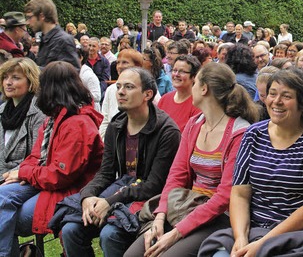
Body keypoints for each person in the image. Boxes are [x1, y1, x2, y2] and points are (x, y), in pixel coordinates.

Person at [200, 68, 303, 257]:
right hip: (257, 228)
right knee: (218, 254)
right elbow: (240, 194)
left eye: (286, 96)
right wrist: (241, 239)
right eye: (272, 94)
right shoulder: (254, 134)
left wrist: (263, 243)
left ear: (302, 102)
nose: (276, 101)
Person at [125, 63, 260, 257]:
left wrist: (176, 232)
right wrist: (160, 216)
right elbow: (176, 175)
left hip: (220, 216)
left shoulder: (239, 133)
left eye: (195, 82)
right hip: (186, 206)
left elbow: (224, 197)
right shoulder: (195, 124)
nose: (192, 87)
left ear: (204, 89)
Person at [58, 68, 180, 257]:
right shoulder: (117, 126)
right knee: (71, 229)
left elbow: (154, 185)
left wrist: (109, 202)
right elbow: (106, 172)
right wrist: (88, 196)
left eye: (129, 87)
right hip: (122, 189)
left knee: (110, 234)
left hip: (150, 198)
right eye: (119, 86)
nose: (121, 92)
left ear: (147, 94)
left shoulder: (166, 131)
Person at [0, 61, 104, 256]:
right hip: (43, 182)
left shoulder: (77, 124)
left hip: (69, 191)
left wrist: (24, 172)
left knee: (8, 213)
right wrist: (23, 173)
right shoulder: (53, 119)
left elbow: (61, 175)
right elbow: (35, 156)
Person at [0, 58, 45, 175]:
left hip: (22, 176)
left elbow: (38, 157)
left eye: (16, 78)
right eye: (5, 77)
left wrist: (12, 174)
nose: (8, 82)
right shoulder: (2, 110)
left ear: (31, 81)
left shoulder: (40, 113)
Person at [24, 0, 80, 69]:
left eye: (29, 17)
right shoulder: (45, 40)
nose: (27, 23)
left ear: (42, 16)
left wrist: (32, 70)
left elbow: (71, 74)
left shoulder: (63, 40)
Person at [158, 55, 202, 132]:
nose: (176, 74)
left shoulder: (197, 104)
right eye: (174, 70)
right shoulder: (164, 99)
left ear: (193, 77)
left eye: (182, 72)